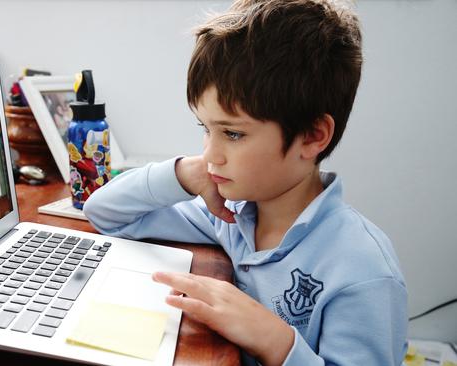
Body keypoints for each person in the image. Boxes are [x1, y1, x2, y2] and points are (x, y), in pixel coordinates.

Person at [82, 0, 408, 364]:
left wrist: (276, 340)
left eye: (233, 134)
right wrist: (183, 174)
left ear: (313, 136)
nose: (210, 154)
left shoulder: (363, 271)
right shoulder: (230, 213)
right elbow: (103, 213)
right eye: (206, 129)